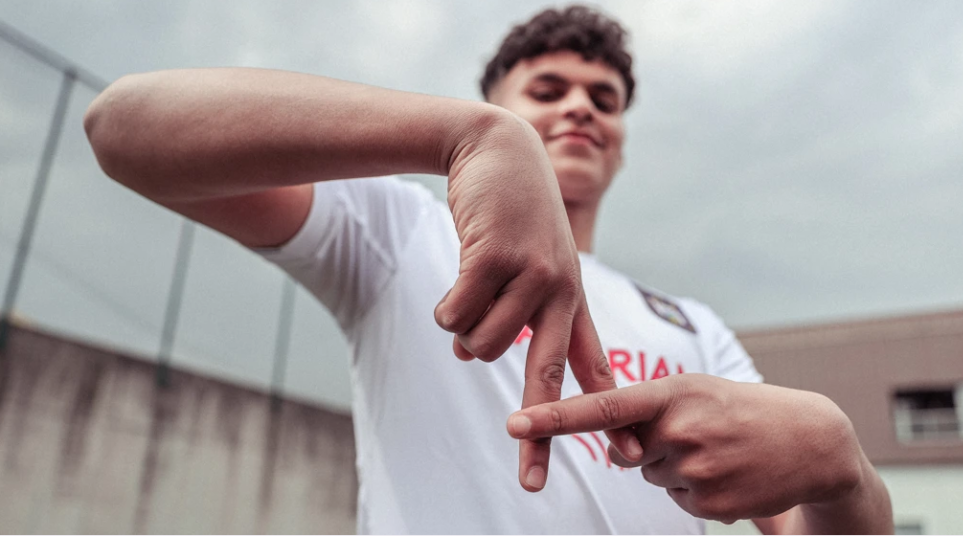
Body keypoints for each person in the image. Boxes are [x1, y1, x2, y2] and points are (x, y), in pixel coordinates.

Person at [84, 5, 892, 534]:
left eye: (604, 98)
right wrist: (464, 136)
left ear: (619, 142)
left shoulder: (693, 325)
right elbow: (122, 125)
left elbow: (801, 522)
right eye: (548, 89)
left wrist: (845, 474)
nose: (580, 106)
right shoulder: (403, 233)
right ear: (497, 101)